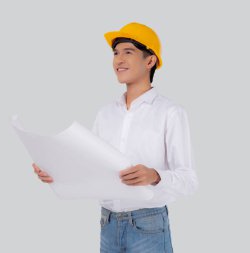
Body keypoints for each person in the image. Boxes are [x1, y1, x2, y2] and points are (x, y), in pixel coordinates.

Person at [32, 22, 199, 253]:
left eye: (128, 52)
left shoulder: (170, 113)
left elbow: (189, 180)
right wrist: (56, 173)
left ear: (149, 61)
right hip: (108, 224)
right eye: (115, 53)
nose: (118, 60)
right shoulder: (105, 113)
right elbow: (91, 168)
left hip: (148, 226)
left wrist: (155, 176)